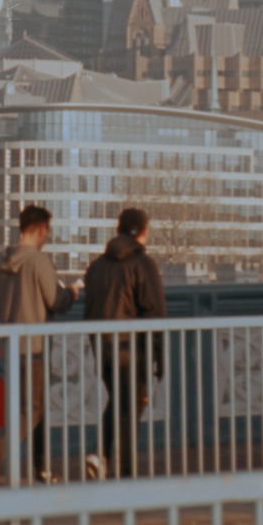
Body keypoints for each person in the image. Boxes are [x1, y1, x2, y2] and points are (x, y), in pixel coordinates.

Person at [0, 202, 74, 481]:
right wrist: (72, 292)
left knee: (26, 409)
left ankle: (42, 468)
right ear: (39, 229)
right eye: (47, 232)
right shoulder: (39, 262)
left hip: (9, 345)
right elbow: (55, 301)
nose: (48, 237)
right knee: (34, 409)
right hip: (35, 346)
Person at [80, 205, 167, 478]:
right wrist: (159, 356)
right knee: (133, 406)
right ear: (142, 231)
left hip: (103, 349)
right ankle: (125, 475)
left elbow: (89, 309)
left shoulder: (95, 268)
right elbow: (156, 311)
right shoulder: (143, 264)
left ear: (118, 230)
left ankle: (100, 456)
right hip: (132, 350)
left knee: (119, 400)